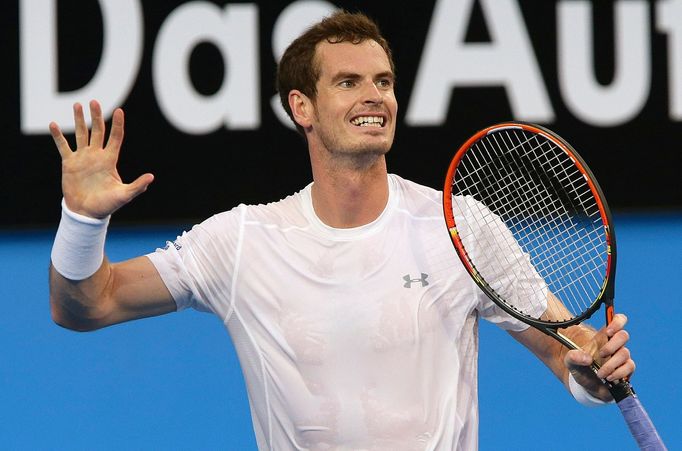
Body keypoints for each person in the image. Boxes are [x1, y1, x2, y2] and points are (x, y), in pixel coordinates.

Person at [48, 11, 635, 450]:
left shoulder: (460, 226)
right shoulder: (241, 243)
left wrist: (593, 373)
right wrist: (83, 219)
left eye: (383, 81)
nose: (375, 96)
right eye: (349, 82)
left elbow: (572, 354)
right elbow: (87, 305)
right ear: (302, 107)